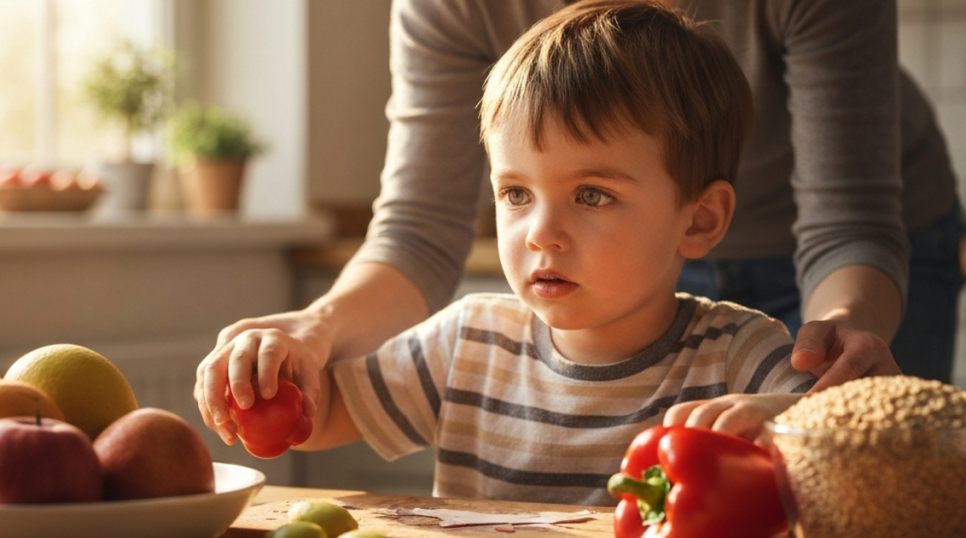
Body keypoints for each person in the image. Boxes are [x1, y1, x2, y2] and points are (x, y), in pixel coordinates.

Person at [194, 0, 960, 442]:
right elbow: (416, 232)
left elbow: (829, 424)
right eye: (515, 195)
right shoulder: (469, 347)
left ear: (699, 220)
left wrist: (831, 373)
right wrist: (289, 358)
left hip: (847, 248)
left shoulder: (746, 359)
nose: (540, 235)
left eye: (587, 193)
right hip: (644, 240)